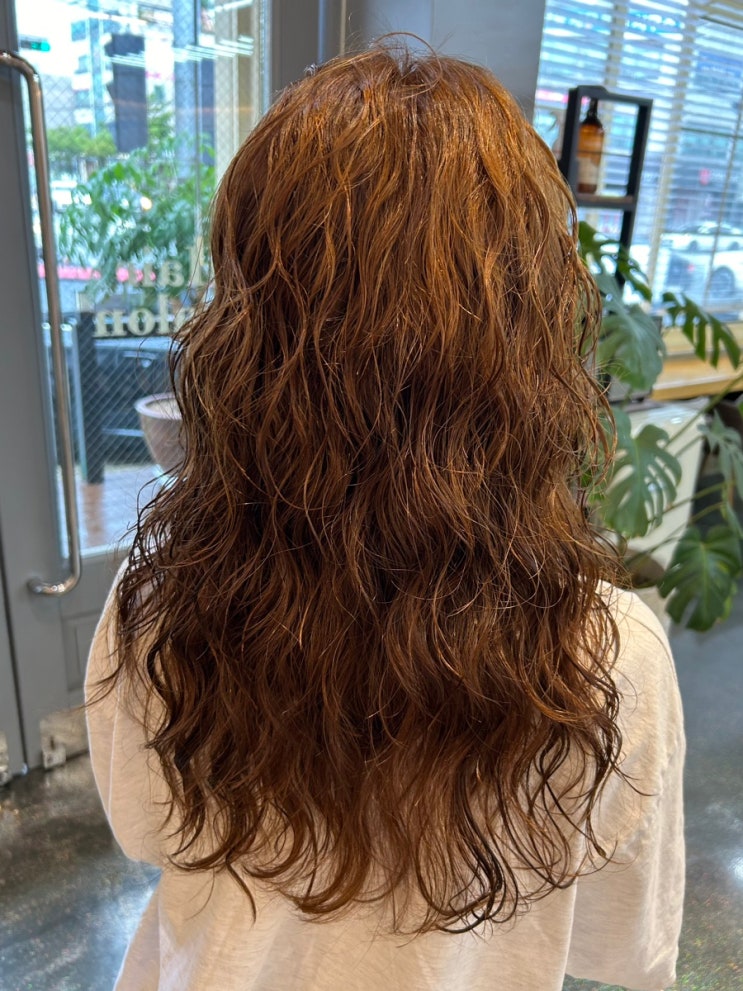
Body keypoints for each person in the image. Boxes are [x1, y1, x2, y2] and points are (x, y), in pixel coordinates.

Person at [86, 42, 685, 991]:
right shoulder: (607, 658)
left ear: (250, 321)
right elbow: (622, 949)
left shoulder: (160, 598)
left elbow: (145, 830)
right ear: (530, 318)